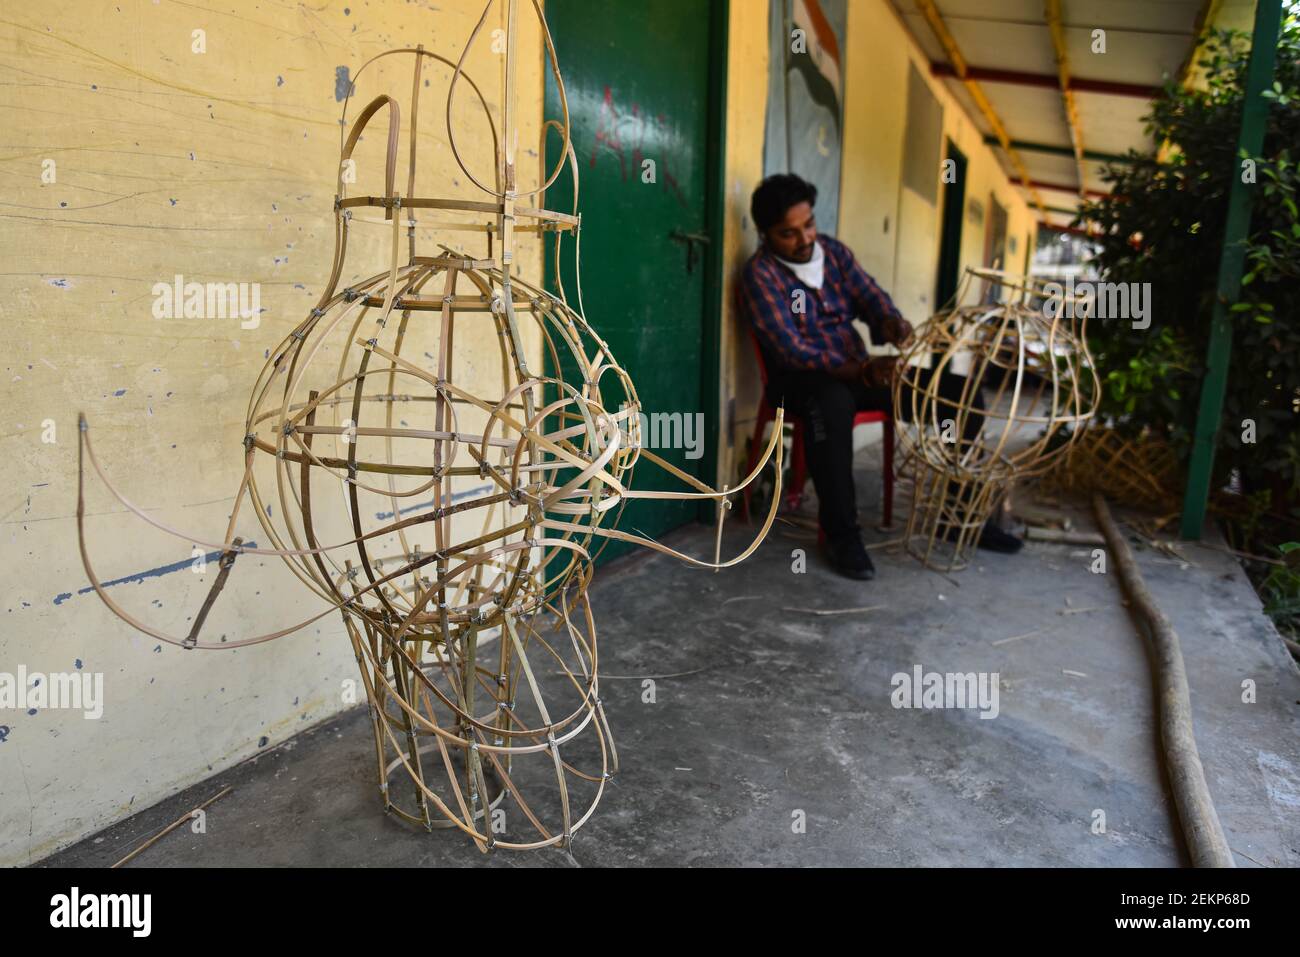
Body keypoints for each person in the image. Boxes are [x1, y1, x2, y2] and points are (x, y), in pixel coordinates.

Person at [739, 173, 1022, 580]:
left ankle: (960, 518)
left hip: (859, 373)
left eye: (809, 225)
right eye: (789, 233)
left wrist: (889, 321)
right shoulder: (760, 275)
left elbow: (870, 296)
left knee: (957, 393)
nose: (804, 240)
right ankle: (842, 535)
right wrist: (864, 369)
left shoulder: (833, 253)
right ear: (766, 234)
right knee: (831, 404)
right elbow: (792, 350)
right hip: (800, 382)